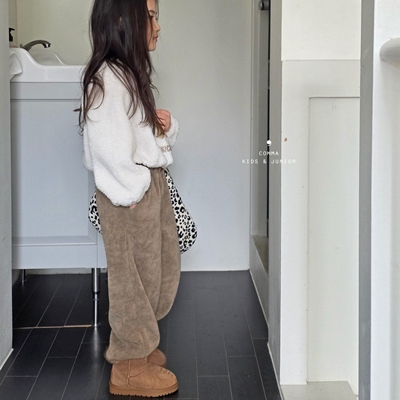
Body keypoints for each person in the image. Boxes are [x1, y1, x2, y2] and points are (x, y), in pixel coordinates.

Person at [78, 0, 181, 397]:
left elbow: (137, 136)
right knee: (131, 279)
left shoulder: (129, 75)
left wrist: (162, 128)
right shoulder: (106, 79)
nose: (158, 25)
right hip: (129, 195)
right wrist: (133, 190)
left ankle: (141, 345)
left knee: (156, 269)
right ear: (124, 20)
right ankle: (128, 364)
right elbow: (106, 146)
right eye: (151, 16)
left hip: (145, 186)